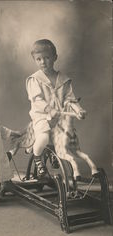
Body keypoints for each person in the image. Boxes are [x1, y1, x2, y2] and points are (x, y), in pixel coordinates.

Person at [26, 39, 86, 179]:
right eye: (38, 59)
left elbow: (70, 99)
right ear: (34, 60)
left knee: (69, 138)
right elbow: (37, 100)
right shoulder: (34, 79)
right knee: (43, 137)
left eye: (47, 58)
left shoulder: (64, 79)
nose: (43, 62)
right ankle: (38, 159)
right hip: (42, 116)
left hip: (59, 117)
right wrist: (48, 109)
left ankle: (60, 157)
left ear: (55, 57)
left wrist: (79, 110)